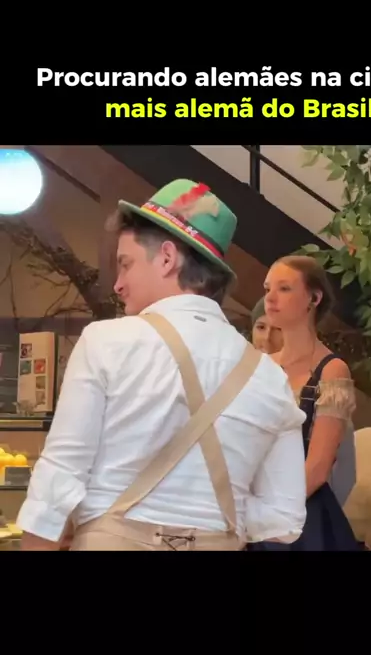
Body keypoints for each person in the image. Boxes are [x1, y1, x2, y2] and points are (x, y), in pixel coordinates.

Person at [16, 179, 308, 551]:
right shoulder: (269, 377)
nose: (118, 284)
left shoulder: (106, 342)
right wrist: (207, 518)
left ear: (167, 258)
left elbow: (59, 476)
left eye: (126, 264)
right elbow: (284, 518)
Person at [249, 255, 359, 551]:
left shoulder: (331, 370)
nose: (270, 298)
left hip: (302, 518)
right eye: (267, 288)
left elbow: (318, 467)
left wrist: (270, 515)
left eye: (284, 288)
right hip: (255, 512)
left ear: (314, 298)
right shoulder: (260, 366)